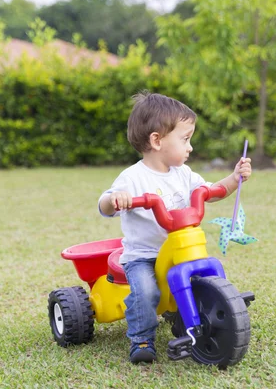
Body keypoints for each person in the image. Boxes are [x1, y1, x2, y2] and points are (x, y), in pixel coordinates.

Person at [98, 92, 252, 364]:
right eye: (185, 139)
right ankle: (142, 337)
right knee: (146, 292)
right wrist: (115, 200)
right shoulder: (133, 177)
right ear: (157, 140)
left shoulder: (184, 174)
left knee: (203, 270)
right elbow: (104, 205)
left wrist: (234, 177)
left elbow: (212, 192)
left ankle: (208, 305)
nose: (190, 147)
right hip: (144, 256)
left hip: (180, 251)